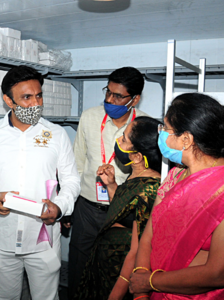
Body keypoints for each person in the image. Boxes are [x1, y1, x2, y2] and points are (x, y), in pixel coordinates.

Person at [0, 65, 81, 300]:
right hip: (3, 238)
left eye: (39, 96)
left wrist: (60, 207)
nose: (35, 104)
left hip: (43, 239)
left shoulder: (55, 134)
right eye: (26, 97)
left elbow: (71, 180)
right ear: (9, 100)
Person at [130, 93, 224, 299]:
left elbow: (219, 274)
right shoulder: (175, 176)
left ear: (186, 139)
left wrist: (148, 282)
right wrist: (141, 288)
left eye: (165, 128)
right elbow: (148, 238)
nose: (161, 134)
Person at [69, 67, 149, 298]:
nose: (110, 100)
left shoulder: (144, 125)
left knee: (116, 271)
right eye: (108, 92)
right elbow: (78, 162)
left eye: (118, 96)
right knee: (79, 265)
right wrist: (71, 206)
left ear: (135, 99)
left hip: (123, 213)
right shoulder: (90, 117)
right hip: (87, 207)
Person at [75, 116, 162, 300]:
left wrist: (117, 291)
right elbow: (124, 213)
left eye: (123, 139)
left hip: (121, 270)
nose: (118, 141)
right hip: (108, 263)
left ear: (137, 156)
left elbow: (138, 250)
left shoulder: (150, 188)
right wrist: (112, 186)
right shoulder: (135, 176)